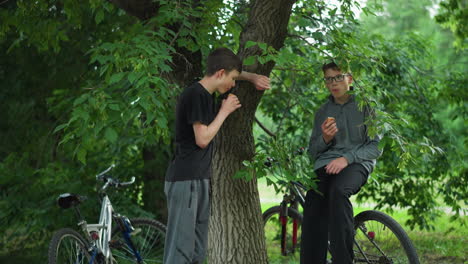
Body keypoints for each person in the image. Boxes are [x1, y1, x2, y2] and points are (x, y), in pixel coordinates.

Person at [163, 47, 270, 264]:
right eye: (232, 79)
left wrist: (251, 77)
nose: (233, 85)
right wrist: (224, 111)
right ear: (220, 73)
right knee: (180, 253)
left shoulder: (205, 92)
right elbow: (202, 139)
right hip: (186, 181)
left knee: (197, 253)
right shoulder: (196, 95)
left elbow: (230, 69)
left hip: (199, 179)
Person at [301, 62, 382, 264]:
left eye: (338, 77)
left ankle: (343, 260)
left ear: (350, 79)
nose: (333, 83)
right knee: (313, 200)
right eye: (329, 79)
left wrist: (346, 159)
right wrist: (325, 139)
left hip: (358, 163)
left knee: (338, 192)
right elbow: (313, 152)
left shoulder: (367, 106)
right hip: (326, 164)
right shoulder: (323, 111)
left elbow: (376, 147)